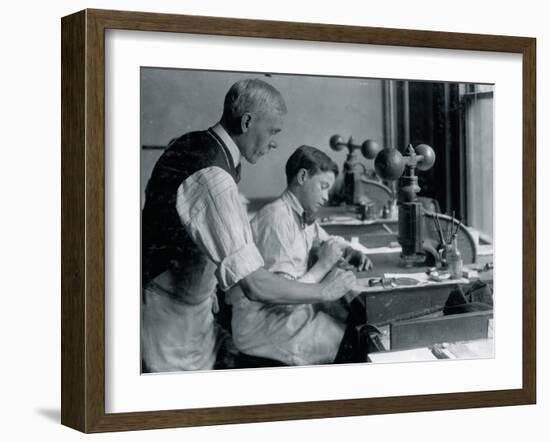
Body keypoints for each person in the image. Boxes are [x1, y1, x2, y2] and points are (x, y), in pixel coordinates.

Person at [141, 79, 355, 373]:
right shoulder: (213, 176)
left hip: (193, 306)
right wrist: (324, 291)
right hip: (173, 320)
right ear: (247, 121)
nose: (274, 141)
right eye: (272, 131)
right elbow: (255, 284)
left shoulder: (197, 145)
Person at [229, 145, 373, 366]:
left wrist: (350, 251)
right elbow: (282, 298)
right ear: (303, 176)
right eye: (323, 187)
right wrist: (323, 265)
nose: (326, 197)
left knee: (352, 324)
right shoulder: (276, 219)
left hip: (288, 315)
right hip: (265, 327)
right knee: (355, 340)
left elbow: (325, 238)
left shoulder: (299, 214)